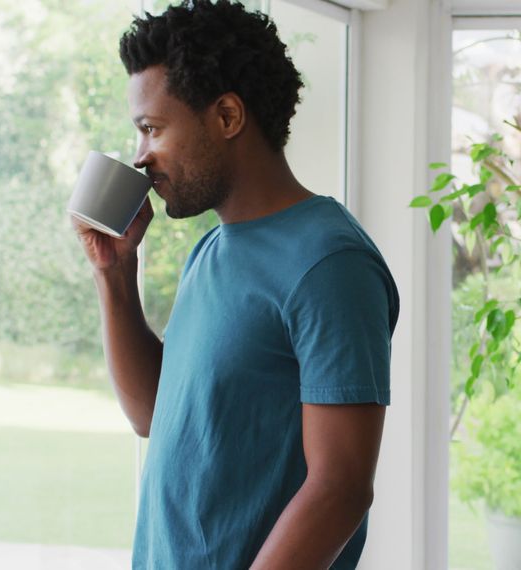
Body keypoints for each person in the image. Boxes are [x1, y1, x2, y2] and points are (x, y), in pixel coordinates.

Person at [70, 1, 398, 568]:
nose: (141, 157)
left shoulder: (330, 262)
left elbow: (340, 486)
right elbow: (154, 414)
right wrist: (115, 273)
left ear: (226, 117)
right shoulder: (212, 251)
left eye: (151, 129)